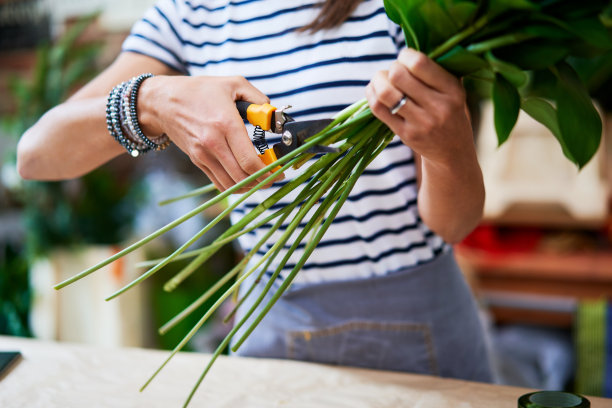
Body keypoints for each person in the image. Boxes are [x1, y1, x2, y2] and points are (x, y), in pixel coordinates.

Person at [17, 0, 491, 381]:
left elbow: (453, 223)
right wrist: (152, 100)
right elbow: (37, 154)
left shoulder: (406, 10)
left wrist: (449, 150)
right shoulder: (192, 13)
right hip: (272, 318)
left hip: (416, 322)